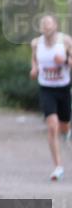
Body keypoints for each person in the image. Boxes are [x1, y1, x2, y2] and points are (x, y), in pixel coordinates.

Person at [29, 14, 71, 181]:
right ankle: (58, 167)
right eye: (43, 25)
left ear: (56, 26)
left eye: (49, 24)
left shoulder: (66, 41)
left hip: (64, 89)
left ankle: (66, 132)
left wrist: (65, 61)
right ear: (41, 28)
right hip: (46, 89)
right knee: (52, 126)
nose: (46, 27)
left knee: (64, 125)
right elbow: (34, 60)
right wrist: (34, 69)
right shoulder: (35, 43)